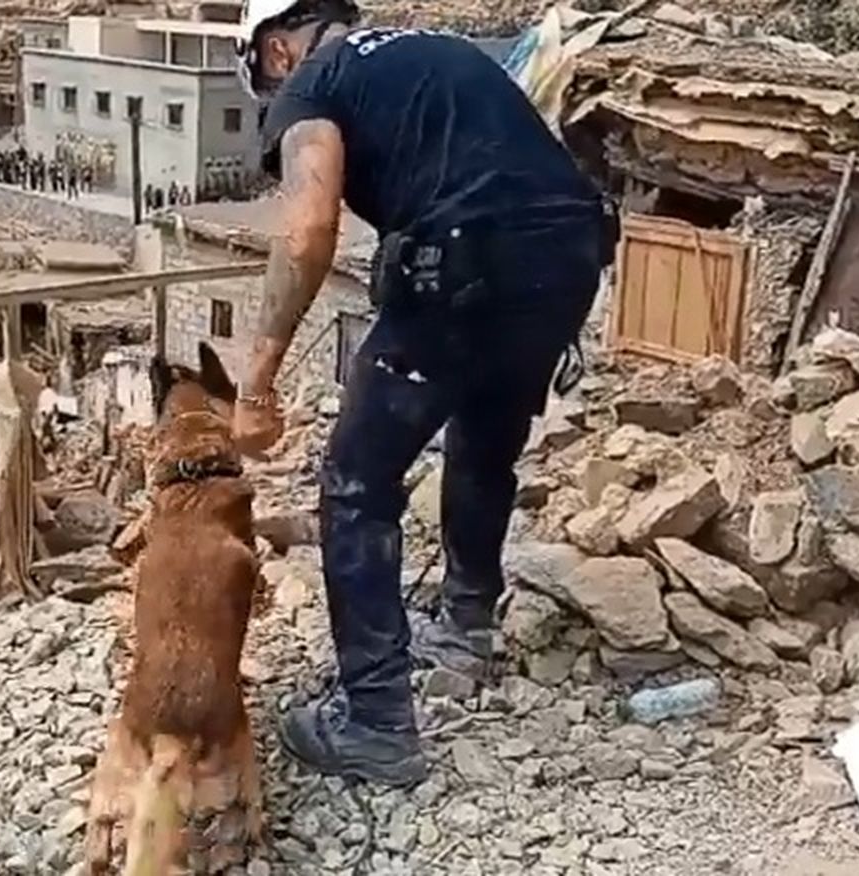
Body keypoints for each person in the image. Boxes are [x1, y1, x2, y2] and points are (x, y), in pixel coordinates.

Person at [230, 0, 612, 787]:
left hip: (466, 260)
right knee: (483, 439)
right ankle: (466, 629)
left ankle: (375, 721)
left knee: (357, 485)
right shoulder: (439, 45)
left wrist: (257, 379)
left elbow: (307, 232)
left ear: (275, 52)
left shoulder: (313, 83)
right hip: (570, 254)